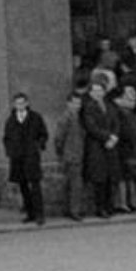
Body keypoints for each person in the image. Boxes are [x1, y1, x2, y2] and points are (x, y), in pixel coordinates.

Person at [3, 92, 50, 225]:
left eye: (22, 102)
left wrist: (38, 145)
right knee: (23, 186)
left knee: (35, 186)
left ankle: (39, 214)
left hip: (31, 156)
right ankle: (30, 213)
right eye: (18, 103)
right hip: (17, 158)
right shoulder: (11, 120)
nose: (20, 105)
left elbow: (43, 134)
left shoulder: (35, 117)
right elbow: (6, 138)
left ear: (27, 103)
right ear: (14, 105)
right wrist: (10, 152)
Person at [81, 79, 120, 219]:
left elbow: (116, 122)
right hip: (96, 146)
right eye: (95, 91)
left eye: (100, 90)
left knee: (110, 177)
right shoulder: (88, 107)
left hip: (111, 146)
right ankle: (100, 208)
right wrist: (107, 137)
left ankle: (109, 205)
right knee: (100, 179)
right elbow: (91, 127)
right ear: (91, 93)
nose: (98, 93)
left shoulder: (110, 106)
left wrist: (114, 137)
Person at [54, 89, 87, 221]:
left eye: (79, 103)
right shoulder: (66, 118)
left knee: (70, 184)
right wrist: (61, 152)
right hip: (71, 155)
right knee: (75, 185)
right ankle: (74, 210)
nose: (77, 106)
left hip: (75, 154)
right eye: (74, 103)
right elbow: (59, 138)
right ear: (68, 103)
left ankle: (69, 209)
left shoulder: (77, 117)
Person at [113, 86, 136, 213]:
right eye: (129, 95)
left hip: (130, 147)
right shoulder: (122, 111)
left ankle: (130, 202)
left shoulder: (127, 111)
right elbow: (126, 131)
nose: (133, 97)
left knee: (130, 176)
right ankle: (124, 203)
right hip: (125, 147)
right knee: (125, 176)